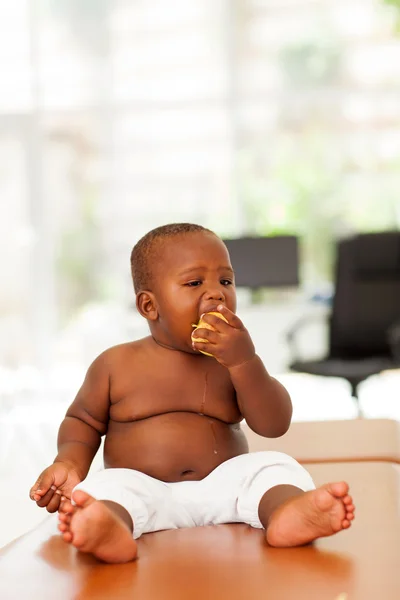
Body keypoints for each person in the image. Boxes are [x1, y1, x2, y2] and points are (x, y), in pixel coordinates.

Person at [30, 223, 355, 564]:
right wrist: (69, 462)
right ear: (149, 306)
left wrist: (245, 362)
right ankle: (108, 528)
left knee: (274, 466)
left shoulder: (233, 362)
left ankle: (288, 513)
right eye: (194, 283)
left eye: (225, 281)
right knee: (102, 490)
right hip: (142, 490)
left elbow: (274, 424)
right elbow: (82, 420)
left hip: (225, 488)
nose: (216, 294)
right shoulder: (115, 363)